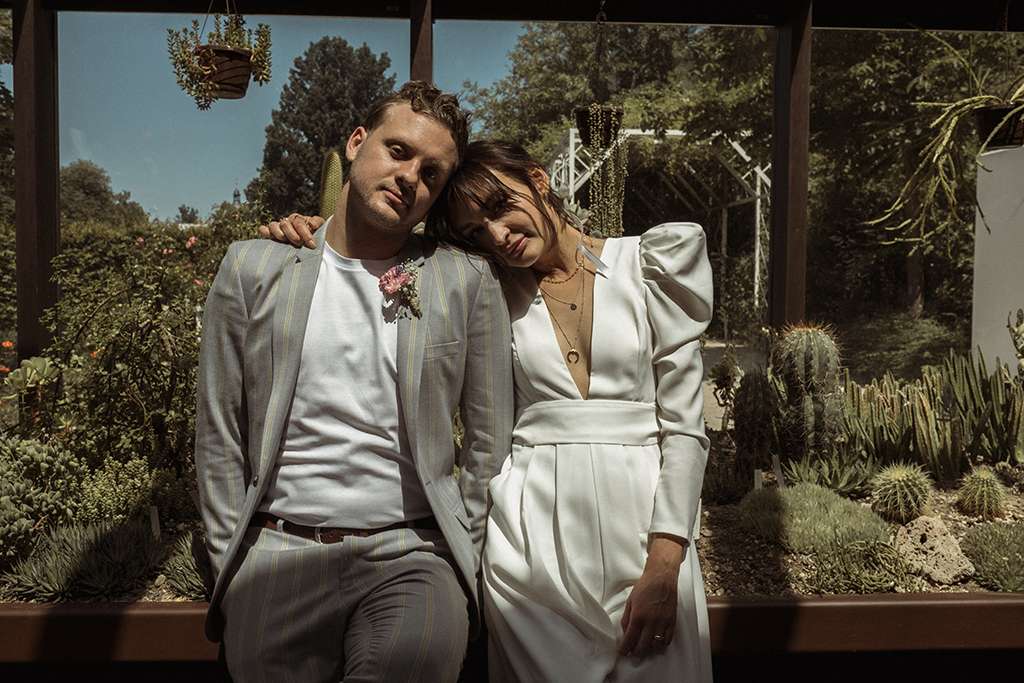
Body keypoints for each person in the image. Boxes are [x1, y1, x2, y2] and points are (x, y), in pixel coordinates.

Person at [262, 140, 715, 682]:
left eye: (500, 207)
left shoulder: (648, 265)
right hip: (528, 542)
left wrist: (666, 559)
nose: (498, 236)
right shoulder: (485, 289)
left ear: (538, 180)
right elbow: (369, 263)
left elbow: (685, 429)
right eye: (476, 232)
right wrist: (314, 232)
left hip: (645, 527)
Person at [194, 82, 514, 683]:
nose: (409, 176)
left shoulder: (466, 281)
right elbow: (219, 432)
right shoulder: (253, 266)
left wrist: (461, 551)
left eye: (432, 173)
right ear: (356, 142)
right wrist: (229, 565)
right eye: (398, 150)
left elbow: (489, 441)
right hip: (276, 554)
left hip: (411, 555)